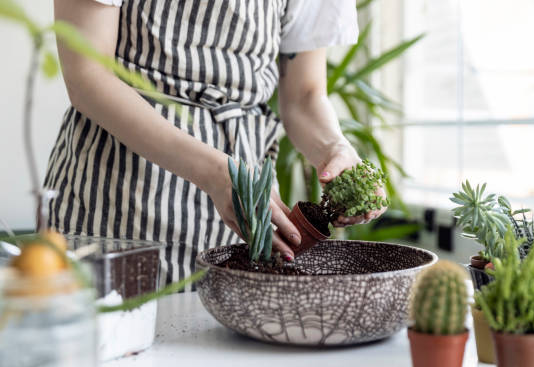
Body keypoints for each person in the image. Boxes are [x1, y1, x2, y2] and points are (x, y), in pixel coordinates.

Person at [44, 0, 386, 289]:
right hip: (119, 196)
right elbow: (88, 76)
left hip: (248, 207)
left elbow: (304, 96)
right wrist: (217, 173)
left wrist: (334, 149)